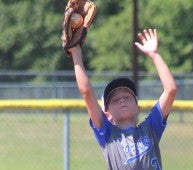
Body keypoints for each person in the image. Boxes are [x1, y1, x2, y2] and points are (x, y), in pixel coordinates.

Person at [68, 29, 177, 169]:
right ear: (107, 114)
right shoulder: (108, 134)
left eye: (127, 96)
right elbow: (86, 91)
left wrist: (154, 55)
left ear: (138, 108)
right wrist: (76, 52)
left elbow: (171, 90)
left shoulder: (150, 129)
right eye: (114, 100)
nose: (122, 100)